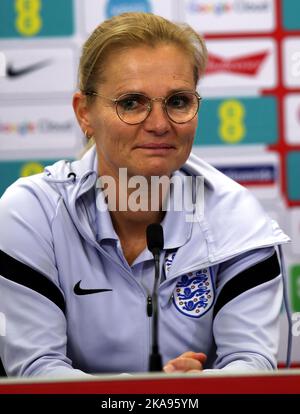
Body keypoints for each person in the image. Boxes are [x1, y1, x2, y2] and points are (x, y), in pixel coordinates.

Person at [0, 12, 290, 378]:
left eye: (178, 101)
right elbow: (35, 370)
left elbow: (252, 365)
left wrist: (196, 386)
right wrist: (149, 396)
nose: (158, 124)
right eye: (132, 103)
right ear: (84, 113)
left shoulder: (236, 215)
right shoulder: (30, 213)